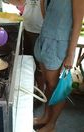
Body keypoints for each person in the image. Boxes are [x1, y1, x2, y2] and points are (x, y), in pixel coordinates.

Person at [33, 0, 84, 131]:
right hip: (44, 39)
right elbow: (46, 14)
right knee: (48, 85)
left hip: (59, 44)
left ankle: (52, 124)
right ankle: (45, 116)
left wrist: (70, 55)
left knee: (56, 87)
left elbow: (78, 24)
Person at [8, 0, 45, 101]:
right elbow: (20, 2)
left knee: (39, 65)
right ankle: (31, 89)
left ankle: (41, 93)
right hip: (26, 28)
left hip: (40, 32)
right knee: (26, 63)